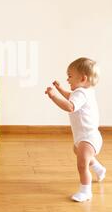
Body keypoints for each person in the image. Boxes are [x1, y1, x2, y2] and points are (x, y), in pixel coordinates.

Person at [45, 57, 106, 202]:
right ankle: (98, 168)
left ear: (83, 78)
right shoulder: (85, 91)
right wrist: (60, 89)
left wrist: (53, 96)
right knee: (77, 152)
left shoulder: (81, 93)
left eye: (70, 76)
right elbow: (71, 97)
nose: (67, 79)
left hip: (88, 137)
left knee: (81, 164)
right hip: (86, 136)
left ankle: (86, 191)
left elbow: (70, 106)